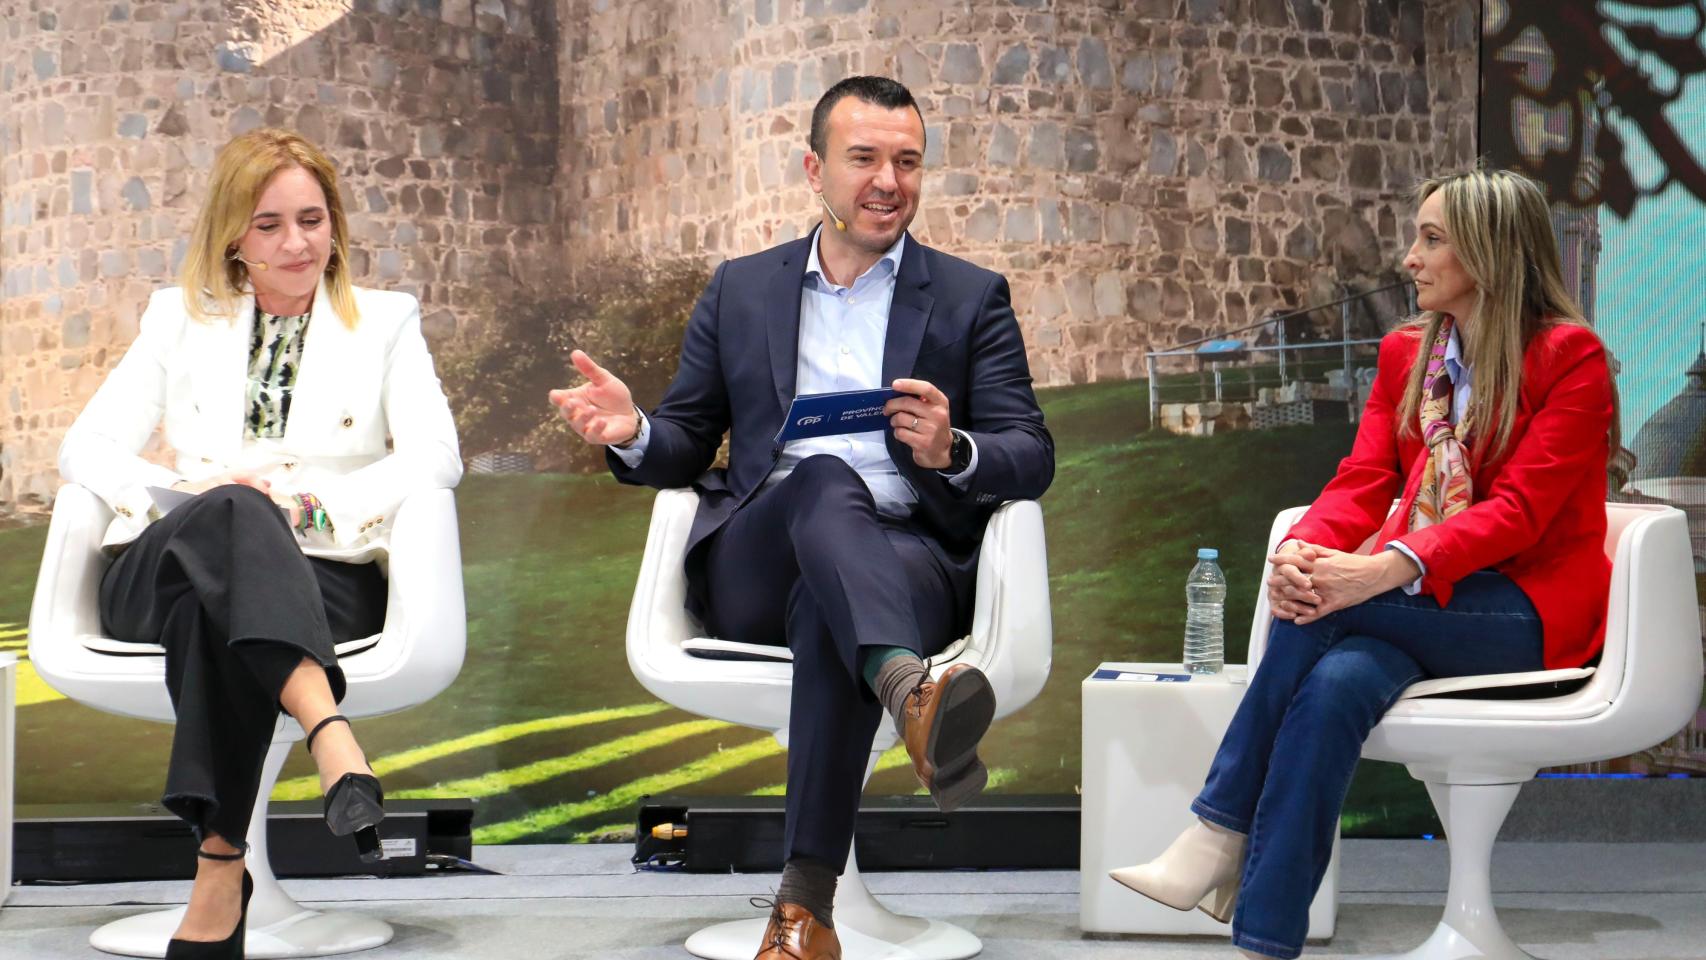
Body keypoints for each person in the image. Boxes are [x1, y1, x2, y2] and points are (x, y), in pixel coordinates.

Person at [551, 76, 1053, 960]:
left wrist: (954, 448)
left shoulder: (971, 297)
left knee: (834, 607)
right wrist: (634, 431)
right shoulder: (742, 290)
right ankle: (911, 691)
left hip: (905, 562)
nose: (888, 181)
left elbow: (1031, 451)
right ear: (815, 168)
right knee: (821, 478)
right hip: (759, 554)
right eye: (865, 159)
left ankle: (801, 914)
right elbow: (686, 439)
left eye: (907, 162)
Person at [1109, 168, 1618, 959]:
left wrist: (1383, 568)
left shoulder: (1570, 358)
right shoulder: (1408, 353)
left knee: (1331, 607)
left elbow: (1517, 513)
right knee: (1337, 680)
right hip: (1430, 606)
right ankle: (1265, 939)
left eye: (1432, 238)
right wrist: (1302, 552)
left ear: (1490, 252)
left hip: (1527, 614)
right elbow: (1365, 479)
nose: (1410, 258)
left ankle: (1215, 831)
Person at [59, 128, 462, 959]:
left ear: (335, 225)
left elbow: (436, 456)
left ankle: (218, 868)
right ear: (234, 235)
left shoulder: (385, 322)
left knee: (216, 611)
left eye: (312, 220)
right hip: (167, 560)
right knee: (229, 515)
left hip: (317, 571)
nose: (297, 243)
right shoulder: (177, 319)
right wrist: (180, 496)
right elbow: (84, 448)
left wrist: (311, 507)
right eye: (271, 224)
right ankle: (329, 727)